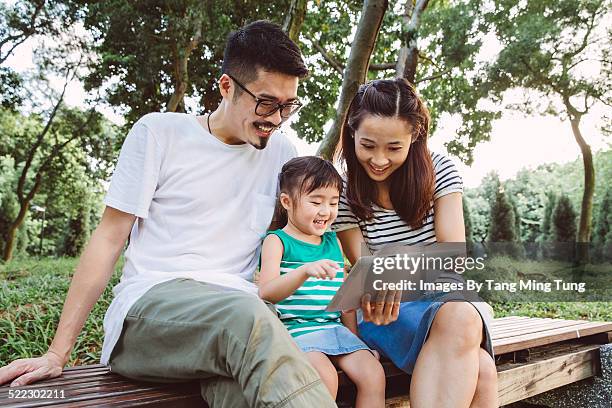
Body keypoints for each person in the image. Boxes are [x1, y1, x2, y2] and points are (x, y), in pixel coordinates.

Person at [0, 21, 337, 408]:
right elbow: (109, 239)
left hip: (237, 334)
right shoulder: (160, 133)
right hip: (150, 315)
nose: (276, 118)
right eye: (265, 102)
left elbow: (314, 224)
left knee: (245, 392)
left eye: (287, 105)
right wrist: (57, 353)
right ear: (227, 87)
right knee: (246, 315)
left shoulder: (282, 153)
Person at [332, 78, 498, 408]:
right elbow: (365, 269)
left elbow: (452, 256)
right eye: (368, 145)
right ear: (352, 134)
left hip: (447, 297)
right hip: (385, 307)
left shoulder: (440, 170)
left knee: (460, 316)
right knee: (481, 368)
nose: (379, 159)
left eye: (394, 147)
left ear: (415, 136)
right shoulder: (343, 187)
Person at [258, 156, 385, 407]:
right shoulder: (277, 241)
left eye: (333, 203)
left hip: (335, 331)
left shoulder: (332, 242)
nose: (326, 211)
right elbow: (267, 292)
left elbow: (344, 302)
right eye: (316, 202)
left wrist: (356, 341)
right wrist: (304, 271)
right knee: (324, 378)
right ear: (287, 202)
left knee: (373, 374)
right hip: (296, 333)